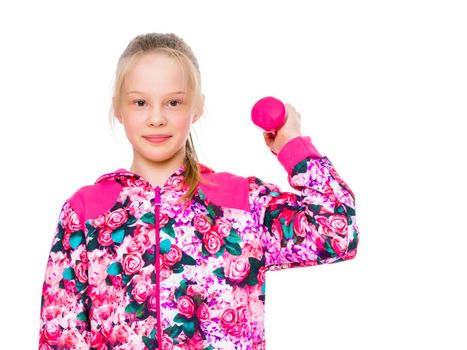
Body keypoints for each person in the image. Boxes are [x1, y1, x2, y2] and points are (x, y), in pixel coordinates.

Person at [38, 32, 359, 350]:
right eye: (140, 102)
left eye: (173, 102)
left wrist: (292, 146)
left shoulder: (242, 202)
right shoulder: (86, 212)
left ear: (198, 107)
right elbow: (60, 336)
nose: (156, 118)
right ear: (118, 108)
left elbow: (339, 231)